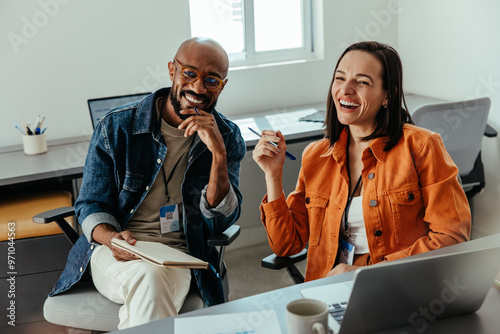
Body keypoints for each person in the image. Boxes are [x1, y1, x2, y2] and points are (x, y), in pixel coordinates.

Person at [49, 37, 246, 329]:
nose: (198, 87)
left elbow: (219, 222)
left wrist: (218, 153)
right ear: (172, 70)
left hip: (180, 256)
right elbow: (90, 204)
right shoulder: (117, 127)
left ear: (223, 85)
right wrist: (112, 239)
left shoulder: (227, 136)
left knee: (153, 281)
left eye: (212, 80)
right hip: (116, 252)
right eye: (189, 73)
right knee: (149, 279)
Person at [253, 41, 471, 282]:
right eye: (340, 78)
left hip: (398, 284)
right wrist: (272, 175)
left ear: (388, 95)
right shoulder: (316, 156)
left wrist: (369, 273)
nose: (345, 90)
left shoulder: (421, 147)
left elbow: (452, 238)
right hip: (329, 286)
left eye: (362, 81)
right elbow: (287, 246)